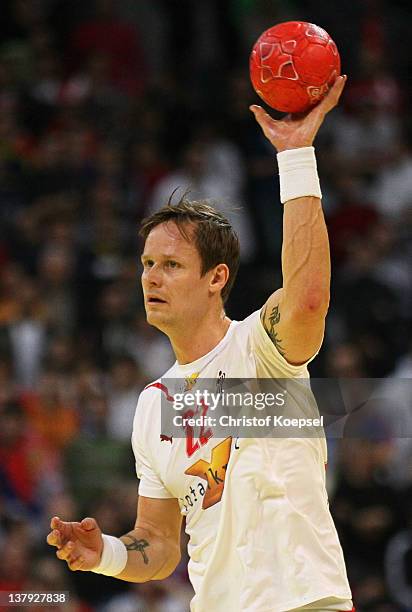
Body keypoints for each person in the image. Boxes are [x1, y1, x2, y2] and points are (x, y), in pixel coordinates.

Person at [47, 75, 354, 611]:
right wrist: (106, 554)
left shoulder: (262, 351)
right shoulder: (153, 406)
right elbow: (161, 545)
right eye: (146, 265)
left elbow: (307, 298)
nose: (150, 278)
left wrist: (297, 154)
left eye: (169, 265)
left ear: (216, 278)